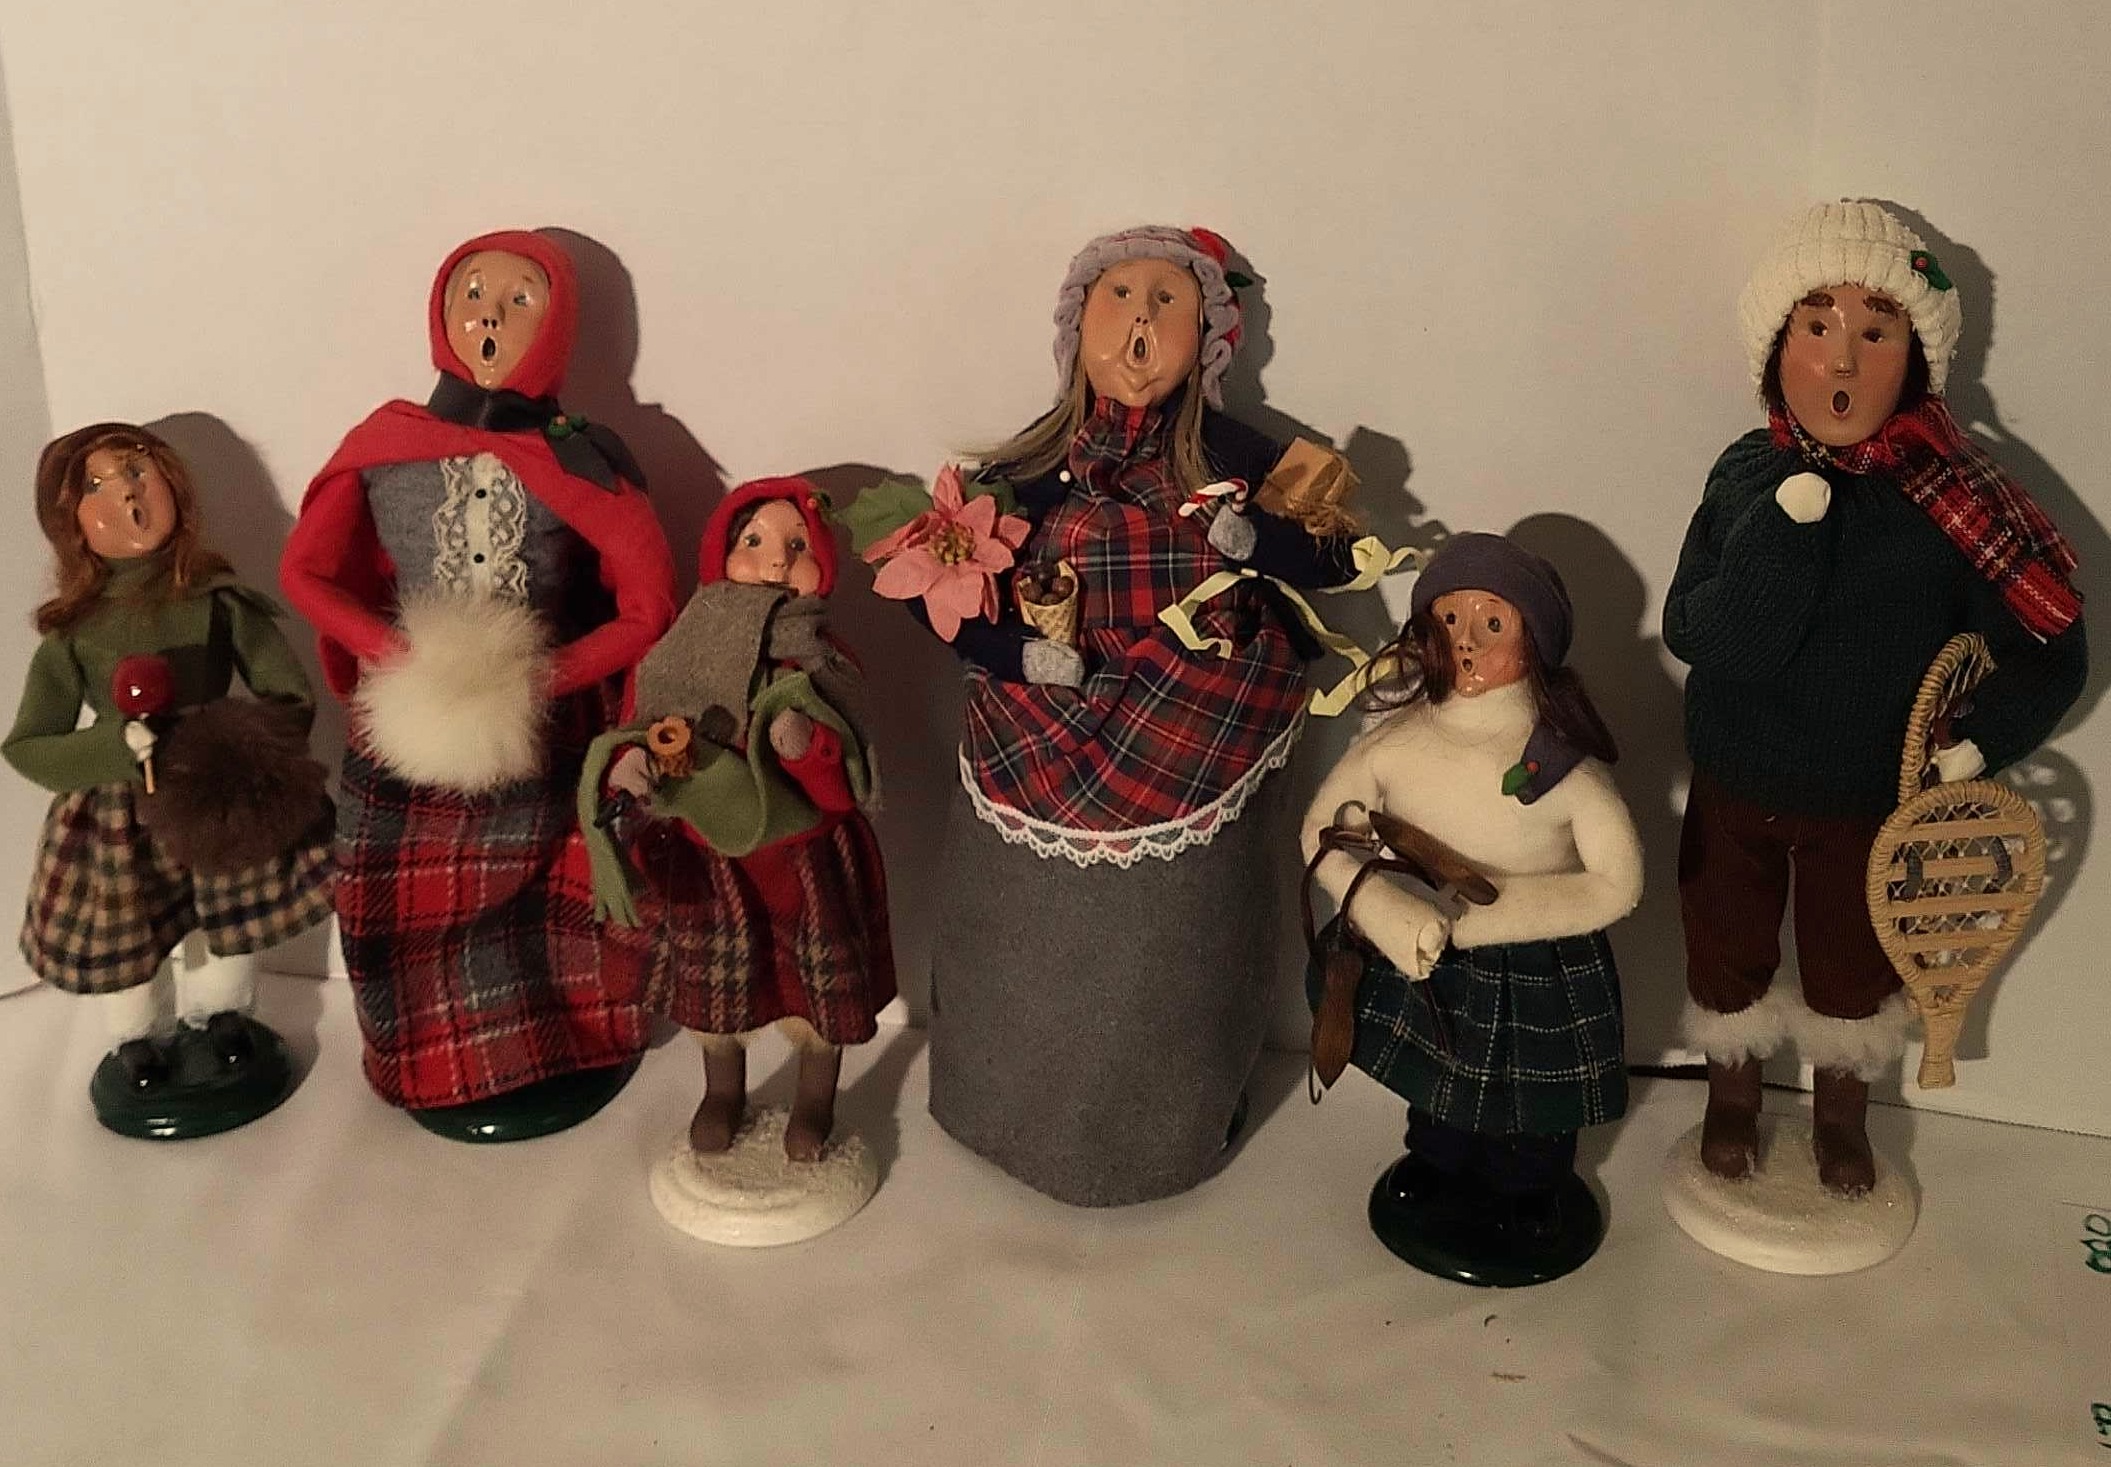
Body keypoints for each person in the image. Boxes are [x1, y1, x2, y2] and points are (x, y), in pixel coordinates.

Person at [911, 225, 1358, 1206]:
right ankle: (997, 1104)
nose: (1140, 321)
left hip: (1197, 724)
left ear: (1209, 337)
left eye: (1167, 299)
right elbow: (934, 584)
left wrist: (1256, 538)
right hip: (1043, 712)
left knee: (1173, 941)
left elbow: (1337, 555)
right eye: (1119, 295)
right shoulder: (1033, 461)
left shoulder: (1244, 456)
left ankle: (1162, 1125)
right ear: (1077, 326)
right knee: (1020, 932)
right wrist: (1013, 657)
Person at [1666, 201, 2086, 1194]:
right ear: (1776, 349)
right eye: (1815, 326)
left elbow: (2051, 644)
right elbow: (1702, 633)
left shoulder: (1950, 504)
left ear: (1916, 359)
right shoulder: (1747, 476)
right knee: (1723, 944)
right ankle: (1730, 1095)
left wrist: (1973, 745)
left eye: (1874, 331)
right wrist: (1784, 530)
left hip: (1867, 799)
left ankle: (1839, 1114)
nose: (1841, 361)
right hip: (1732, 776)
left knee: (1851, 968)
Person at [279, 229, 676, 1138]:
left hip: (540, 721)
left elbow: (649, 604)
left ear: (558, 325)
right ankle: (431, 1056)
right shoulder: (384, 444)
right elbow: (305, 571)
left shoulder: (582, 458)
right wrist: (388, 650)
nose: (491, 313)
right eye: (472, 293)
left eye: (520, 297)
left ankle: (564, 1042)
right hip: (410, 715)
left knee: (558, 895)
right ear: (439, 313)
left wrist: (550, 675)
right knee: (396, 897)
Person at [1301, 532, 1640, 1279]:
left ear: (1533, 640)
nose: (1466, 642)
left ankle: (1533, 1186)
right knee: (1437, 1078)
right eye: (1451, 618)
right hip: (1419, 946)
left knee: (1534, 1096)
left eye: (1492, 623)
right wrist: (1383, 909)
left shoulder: (1562, 766)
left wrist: (1485, 919)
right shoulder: (1395, 740)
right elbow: (1323, 832)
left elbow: (1617, 882)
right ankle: (1436, 1159)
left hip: (1536, 960)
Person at [7, 422, 332, 1129]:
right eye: (95, 486)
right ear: (69, 523)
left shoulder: (217, 600)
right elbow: (28, 745)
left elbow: (288, 692)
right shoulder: (75, 632)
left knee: (228, 917)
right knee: (131, 929)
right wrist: (114, 749)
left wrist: (246, 747)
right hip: (118, 813)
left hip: (214, 788)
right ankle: (136, 1038)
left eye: (136, 470)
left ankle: (223, 1015)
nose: (125, 493)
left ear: (172, 483)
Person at [582, 476, 895, 1163]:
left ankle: (815, 1099)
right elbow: (640, 723)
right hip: (713, 858)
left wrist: (806, 746)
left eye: (797, 544)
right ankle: (722, 1093)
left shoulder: (825, 662)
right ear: (720, 554)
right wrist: (632, 764)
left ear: (823, 565)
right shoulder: (680, 650)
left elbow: (847, 782)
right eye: (753, 540)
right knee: (715, 990)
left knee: (817, 993)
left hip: (805, 857)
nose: (776, 559)